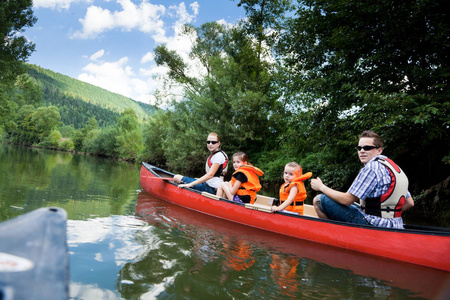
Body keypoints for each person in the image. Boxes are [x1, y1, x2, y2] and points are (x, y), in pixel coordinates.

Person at [310, 130, 415, 228]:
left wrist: (321, 187)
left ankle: (334, 236)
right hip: (396, 224)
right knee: (358, 206)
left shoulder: (371, 168)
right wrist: (388, 215)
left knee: (320, 200)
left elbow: (346, 200)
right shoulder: (394, 167)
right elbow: (409, 203)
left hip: (374, 225)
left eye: (367, 148)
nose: (362, 151)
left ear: (379, 150)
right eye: (359, 148)